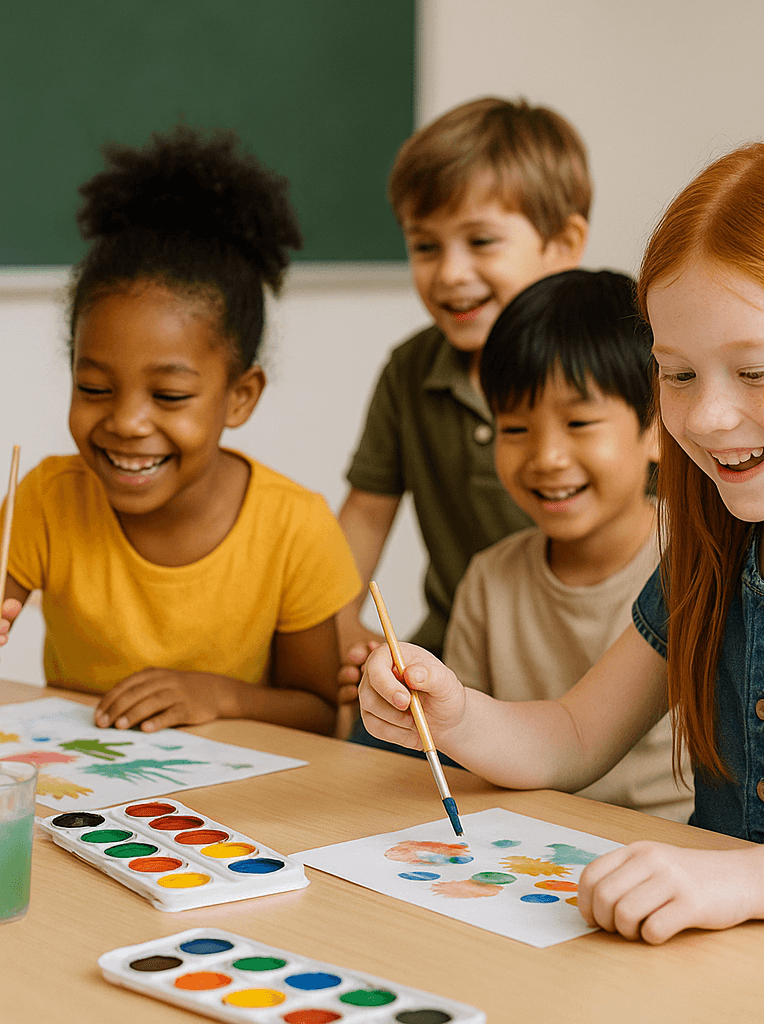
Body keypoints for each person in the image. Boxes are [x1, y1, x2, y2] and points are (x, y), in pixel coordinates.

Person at [359, 133, 764, 942]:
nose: (705, 418)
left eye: (755, 372)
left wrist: (745, 878)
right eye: (677, 374)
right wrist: (454, 715)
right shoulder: (721, 543)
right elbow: (572, 738)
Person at [0, 127, 360, 735]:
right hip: (83, 797)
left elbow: (322, 715)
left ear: (240, 396)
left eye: (168, 395)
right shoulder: (46, 499)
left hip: (233, 814)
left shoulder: (294, 528)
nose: (126, 422)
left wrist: (219, 696)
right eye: (93, 388)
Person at [336, 97, 590, 729]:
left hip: (585, 672)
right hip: (448, 668)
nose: (451, 274)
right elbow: (365, 514)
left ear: (563, 245)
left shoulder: (608, 366)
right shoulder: (411, 369)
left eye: (481, 242)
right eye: (425, 246)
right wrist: (340, 621)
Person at [444, 269, 691, 821]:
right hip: (531, 842)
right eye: (515, 429)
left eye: (579, 422)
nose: (547, 457)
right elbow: (462, 760)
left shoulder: (698, 558)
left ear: (656, 429)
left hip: (673, 842)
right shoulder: (490, 578)